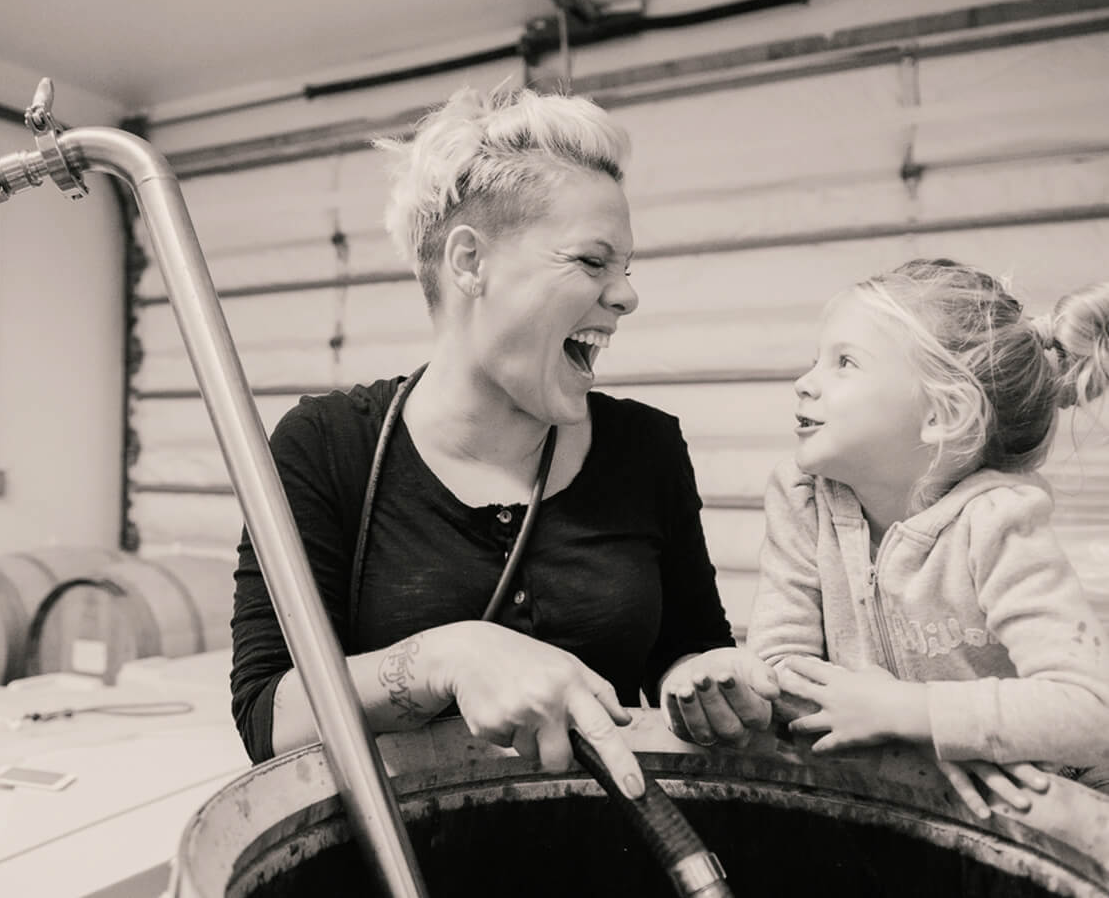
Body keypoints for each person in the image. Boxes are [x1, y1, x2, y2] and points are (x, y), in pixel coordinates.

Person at [229, 85, 777, 798]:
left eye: (627, 269)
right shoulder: (325, 447)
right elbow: (268, 718)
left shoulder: (647, 447)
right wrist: (448, 657)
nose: (626, 296)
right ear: (469, 262)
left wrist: (704, 678)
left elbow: (684, 649)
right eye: (592, 262)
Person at [746, 258, 1109, 817]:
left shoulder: (997, 522)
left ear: (943, 414)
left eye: (844, 362)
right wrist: (911, 735)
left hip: (1053, 812)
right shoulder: (803, 499)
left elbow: (1090, 710)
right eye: (815, 359)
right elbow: (778, 665)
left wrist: (917, 714)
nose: (804, 382)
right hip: (916, 797)